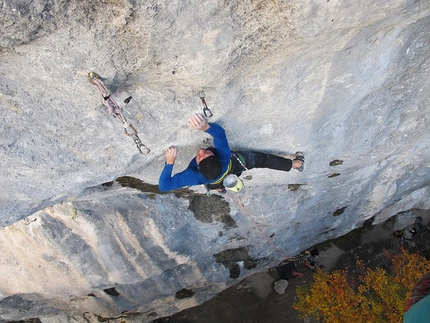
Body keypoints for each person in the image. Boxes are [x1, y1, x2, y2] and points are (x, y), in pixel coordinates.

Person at [158, 113, 304, 192]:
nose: (201, 151)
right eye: (203, 154)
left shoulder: (195, 175)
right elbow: (220, 135)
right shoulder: (222, 158)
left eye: (202, 155)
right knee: (261, 159)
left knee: (216, 183)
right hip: (233, 164)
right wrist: (206, 127)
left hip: (220, 174)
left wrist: (170, 163)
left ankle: (295, 165)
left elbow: (164, 186)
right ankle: (296, 164)